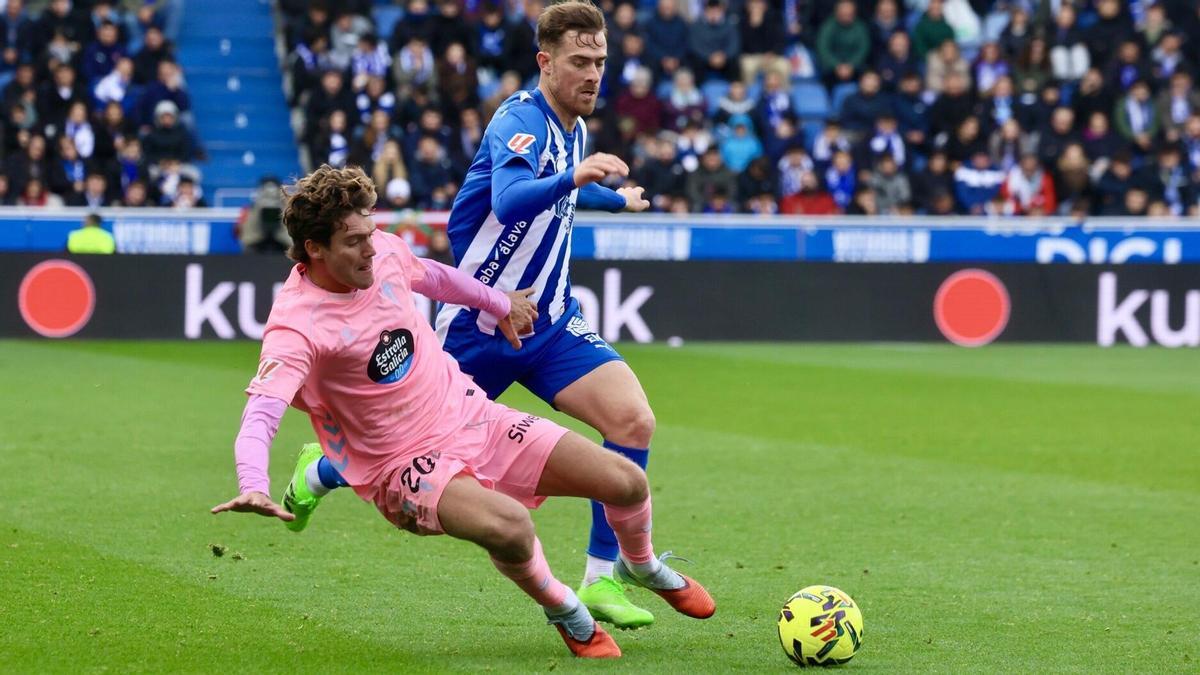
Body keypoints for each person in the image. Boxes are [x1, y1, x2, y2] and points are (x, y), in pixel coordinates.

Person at [211, 165, 712, 659]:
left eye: (371, 230)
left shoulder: (383, 251)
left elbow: (437, 278)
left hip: (473, 416)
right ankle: (563, 607)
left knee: (626, 481)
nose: (372, 247)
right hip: (401, 465)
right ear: (315, 249)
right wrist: (251, 481)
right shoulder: (296, 327)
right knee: (511, 527)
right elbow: (262, 412)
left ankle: (639, 565)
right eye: (353, 241)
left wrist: (497, 302)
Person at [284, 0, 670, 630]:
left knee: (633, 420)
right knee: (411, 442)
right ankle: (321, 469)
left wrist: (612, 200)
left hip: (547, 322)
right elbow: (512, 199)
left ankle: (603, 578)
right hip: (475, 325)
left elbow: (565, 195)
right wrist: (576, 179)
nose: (593, 74)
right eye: (579, 61)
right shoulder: (518, 121)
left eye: (600, 61)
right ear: (545, 63)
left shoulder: (573, 125)